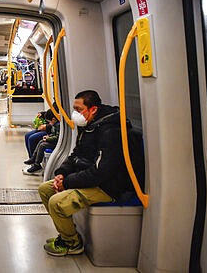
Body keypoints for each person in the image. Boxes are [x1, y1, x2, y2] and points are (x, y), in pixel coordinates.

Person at [39, 90, 134, 256]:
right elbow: (76, 153)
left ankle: (72, 243)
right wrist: (62, 173)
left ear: (93, 109)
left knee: (56, 203)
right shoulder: (89, 127)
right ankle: (67, 233)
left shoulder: (110, 132)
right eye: (74, 109)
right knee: (45, 189)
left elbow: (101, 172)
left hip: (108, 186)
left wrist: (67, 182)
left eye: (79, 109)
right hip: (92, 179)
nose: (75, 114)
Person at [23, 110, 59, 175]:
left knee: (32, 139)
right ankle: (33, 159)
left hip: (50, 132)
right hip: (50, 132)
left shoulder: (57, 125)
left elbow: (57, 135)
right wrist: (42, 114)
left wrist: (47, 128)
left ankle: (36, 164)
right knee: (27, 135)